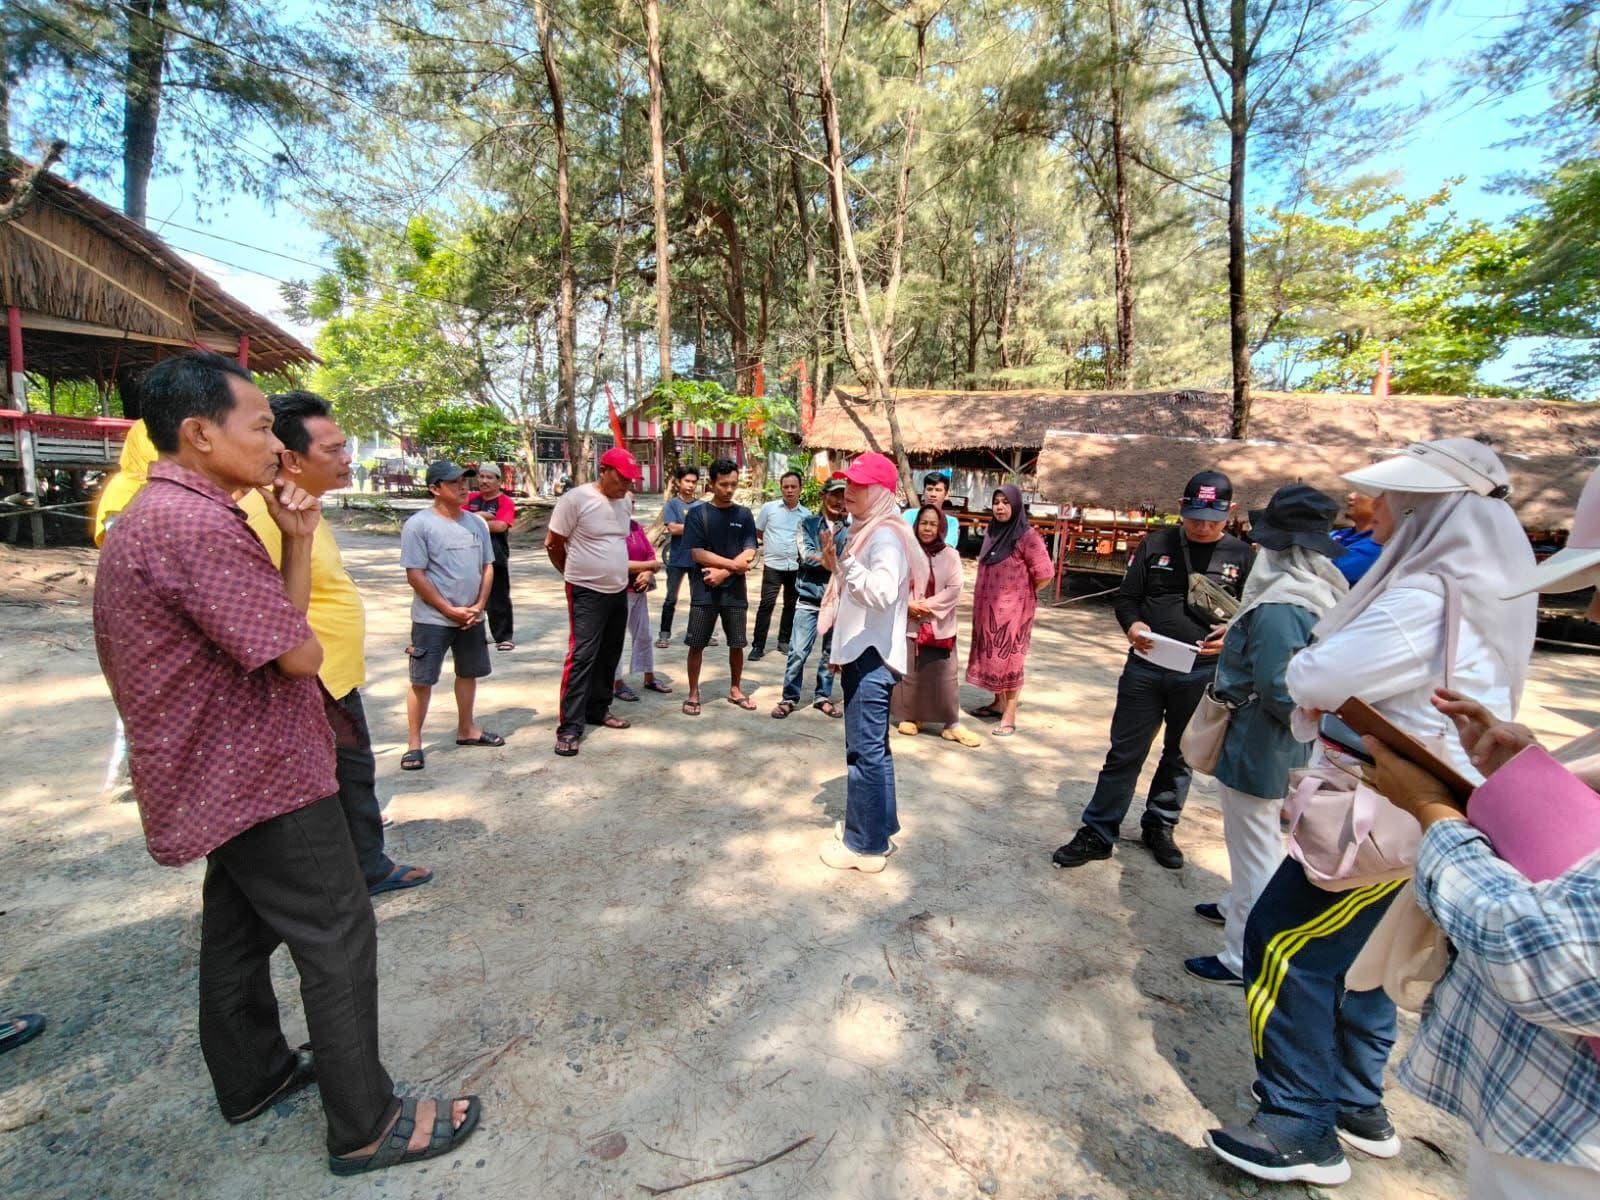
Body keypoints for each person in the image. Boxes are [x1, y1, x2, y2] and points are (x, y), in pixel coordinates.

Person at [92, 351, 478, 1175]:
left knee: (238, 930)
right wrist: (298, 608)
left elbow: (278, 624)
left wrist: (297, 537)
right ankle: (366, 1123)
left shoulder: (188, 515)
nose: (275, 445)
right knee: (337, 929)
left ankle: (254, 1075)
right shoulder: (192, 526)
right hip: (258, 770)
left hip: (225, 770)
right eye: (262, 427)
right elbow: (297, 656)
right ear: (198, 434)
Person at [1205, 438, 1537, 1187]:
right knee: (1362, 959)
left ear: (1422, 511)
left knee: (1283, 942)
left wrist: (1313, 672)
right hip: (1419, 810)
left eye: (1384, 499)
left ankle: (1298, 1122)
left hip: (1381, 810)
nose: (1366, 510)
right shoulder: (1472, 590)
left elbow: (1315, 672)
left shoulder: (1424, 595)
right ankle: (1358, 1104)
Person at [243, 391, 432, 897]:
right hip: (310, 680)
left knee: (352, 776)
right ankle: (357, 874)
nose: (348, 458)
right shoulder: (262, 517)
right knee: (344, 779)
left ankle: (362, 864)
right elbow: (266, 614)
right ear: (293, 458)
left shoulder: (302, 510)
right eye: (335, 449)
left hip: (332, 675)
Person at [1182, 484, 1348, 986]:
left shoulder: (1281, 606)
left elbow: (1279, 689)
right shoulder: (1315, 597)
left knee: (1254, 846)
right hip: (1279, 743)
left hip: (1260, 743)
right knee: (1250, 839)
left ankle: (1242, 955)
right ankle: (1237, 903)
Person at [1055, 470, 1253, 871]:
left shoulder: (1244, 557)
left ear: (1230, 512)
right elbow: (1127, 599)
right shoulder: (1156, 544)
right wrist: (1134, 626)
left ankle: (1160, 825)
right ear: (1181, 508)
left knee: (1180, 755)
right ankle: (1098, 830)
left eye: (1212, 519)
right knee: (1124, 752)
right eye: (1194, 516)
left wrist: (1232, 635)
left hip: (1202, 673)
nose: (1201, 526)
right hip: (1146, 668)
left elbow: (1254, 618)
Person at [816, 452, 928, 872]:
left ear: (880, 492)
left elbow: (880, 593)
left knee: (864, 753)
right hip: (867, 652)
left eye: (859, 486)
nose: (849, 492)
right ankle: (878, 827)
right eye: (848, 484)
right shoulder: (870, 531)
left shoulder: (882, 537)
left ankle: (864, 846)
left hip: (871, 656)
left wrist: (843, 563)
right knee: (874, 750)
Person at [399, 461, 502, 771]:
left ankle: (467, 729)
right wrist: (447, 609)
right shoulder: (418, 525)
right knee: (422, 679)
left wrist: (479, 606)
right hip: (433, 619)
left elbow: (488, 566)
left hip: (471, 617)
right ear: (434, 488)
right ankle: (414, 743)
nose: (463, 487)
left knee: (468, 673)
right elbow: (415, 574)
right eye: (453, 482)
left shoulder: (476, 524)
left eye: (464, 481)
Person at [546, 447, 641, 756]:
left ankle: (598, 709)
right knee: (582, 655)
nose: (626, 485)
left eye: (631, 480)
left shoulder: (626, 501)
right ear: (604, 471)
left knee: (610, 652)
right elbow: (553, 543)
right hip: (585, 590)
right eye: (622, 478)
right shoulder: (576, 499)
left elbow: (619, 541)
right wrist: (570, 573)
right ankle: (570, 726)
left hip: (618, 589)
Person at [964, 484, 1056, 737]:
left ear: (1016, 505)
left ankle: (1010, 713)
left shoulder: (1028, 537)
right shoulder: (993, 532)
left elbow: (1045, 574)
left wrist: (1021, 596)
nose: (1000, 507)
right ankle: (998, 702)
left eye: (1006, 502)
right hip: (988, 610)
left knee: (1010, 660)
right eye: (996, 502)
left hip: (1013, 614)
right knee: (992, 657)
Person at [893, 504, 982, 748]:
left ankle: (951, 723)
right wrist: (908, 604)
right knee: (912, 673)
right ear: (916, 525)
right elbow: (897, 582)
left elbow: (954, 589)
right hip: (911, 620)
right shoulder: (906, 552)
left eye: (933, 524)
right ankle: (912, 716)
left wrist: (927, 606)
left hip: (939, 624)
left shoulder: (950, 555)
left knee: (944, 675)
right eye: (924, 523)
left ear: (940, 527)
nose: (928, 528)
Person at [681, 458, 758, 715]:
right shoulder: (697, 514)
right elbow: (697, 553)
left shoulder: (744, 515)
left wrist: (724, 573)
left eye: (733, 484)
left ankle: (736, 688)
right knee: (697, 643)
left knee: (737, 642)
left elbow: (750, 551)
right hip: (704, 589)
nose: (729, 489)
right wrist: (733, 566)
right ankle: (693, 692)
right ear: (711, 484)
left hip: (734, 591)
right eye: (723, 484)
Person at [773, 476, 849, 719]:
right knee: (797, 652)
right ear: (822, 496)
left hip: (837, 600)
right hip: (809, 599)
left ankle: (822, 696)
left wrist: (830, 561)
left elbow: (851, 563)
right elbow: (806, 556)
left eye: (843, 496)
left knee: (830, 653)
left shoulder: (851, 528)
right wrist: (831, 562)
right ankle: (789, 697)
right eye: (834, 494)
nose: (839, 500)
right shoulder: (807, 524)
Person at [750, 470, 810, 660]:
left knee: (791, 605)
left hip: (795, 567)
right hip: (773, 566)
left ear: (801, 489)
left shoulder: (807, 515)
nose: (789, 491)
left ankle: (784, 640)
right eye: (786, 487)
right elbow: (758, 532)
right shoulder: (769, 509)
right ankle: (758, 645)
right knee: (766, 605)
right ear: (781, 488)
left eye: (793, 487)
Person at [614, 511, 673, 700]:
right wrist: (647, 567)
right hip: (616, 592)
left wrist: (648, 573)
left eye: (631, 503)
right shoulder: (608, 528)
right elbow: (614, 563)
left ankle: (649, 676)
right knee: (615, 641)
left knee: (645, 635)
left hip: (638, 591)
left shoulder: (635, 526)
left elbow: (651, 556)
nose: (628, 506)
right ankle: (616, 683)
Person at [465, 462, 517, 651]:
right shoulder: (470, 498)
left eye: (489, 477)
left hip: (496, 555)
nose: (484, 481)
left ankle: (503, 637)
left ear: (498, 481)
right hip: (469, 555)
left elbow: (501, 526)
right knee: (470, 595)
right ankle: (473, 635)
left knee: (498, 597)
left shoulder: (505, 502)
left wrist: (473, 519)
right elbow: (456, 518)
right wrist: (482, 516)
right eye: (481, 476)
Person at [656, 465, 704, 648]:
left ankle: (698, 633)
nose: (691, 485)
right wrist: (695, 527)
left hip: (697, 558)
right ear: (678, 482)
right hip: (676, 559)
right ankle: (664, 634)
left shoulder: (701, 506)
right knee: (670, 598)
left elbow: (706, 530)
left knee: (698, 599)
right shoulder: (672, 505)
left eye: (693, 482)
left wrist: (685, 527)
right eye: (687, 481)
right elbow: (672, 529)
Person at [1331, 489, 1382, 585]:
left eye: (1361, 491)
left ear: (1382, 502)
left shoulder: (1377, 546)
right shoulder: (1340, 533)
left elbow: (1327, 574)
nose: (1351, 496)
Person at [902, 470, 959, 547]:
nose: (933, 494)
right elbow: (904, 542)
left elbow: (947, 548)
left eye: (938, 490)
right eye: (929, 489)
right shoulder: (909, 515)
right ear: (923, 492)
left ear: (946, 495)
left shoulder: (951, 522)